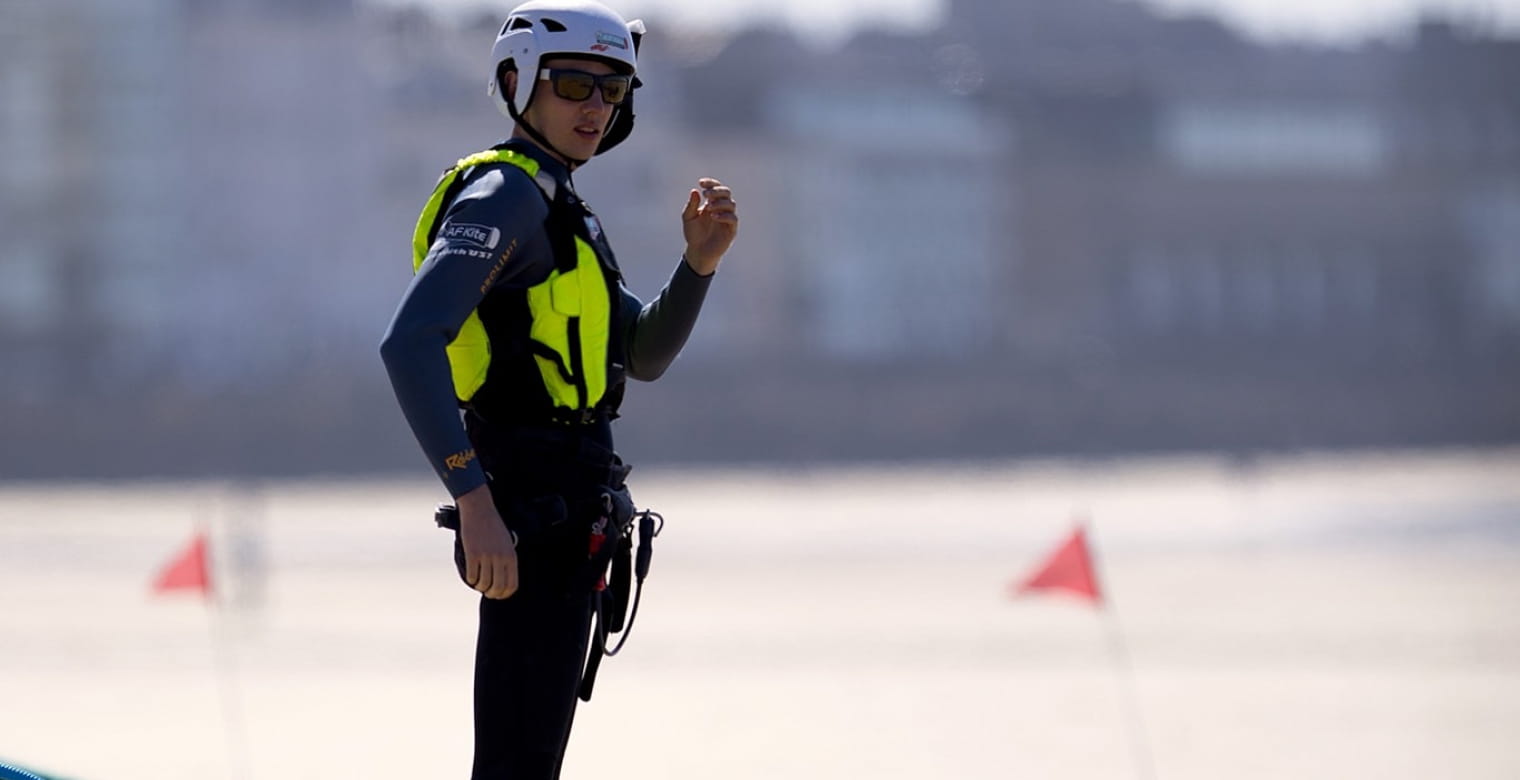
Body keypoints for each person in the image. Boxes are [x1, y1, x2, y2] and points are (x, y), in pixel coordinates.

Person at [378, 1, 738, 777]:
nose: (596, 109)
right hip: (525, 511)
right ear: (518, 83)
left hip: (573, 512)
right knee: (515, 762)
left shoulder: (561, 204)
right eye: (575, 86)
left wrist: (698, 264)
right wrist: (475, 503)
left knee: (529, 758)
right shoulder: (505, 197)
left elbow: (639, 354)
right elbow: (410, 342)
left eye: (613, 93)